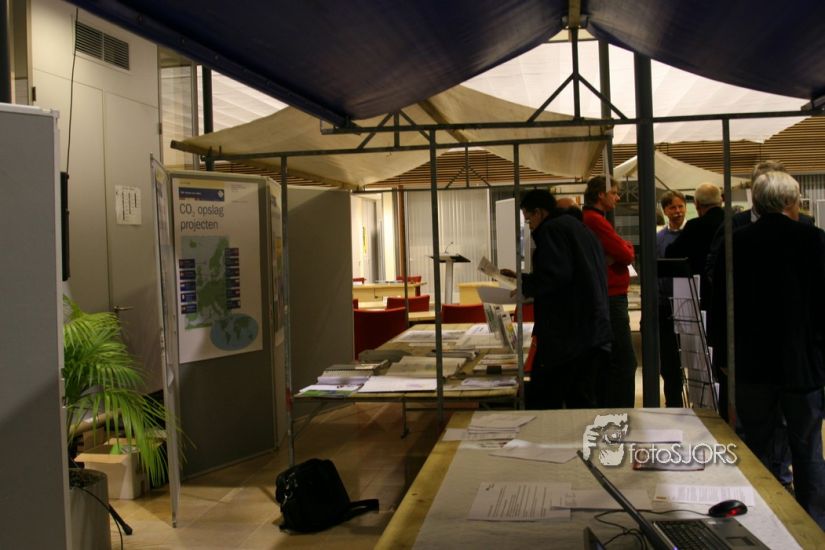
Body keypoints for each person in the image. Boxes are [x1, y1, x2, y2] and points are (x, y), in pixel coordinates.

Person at [710, 170, 825, 528]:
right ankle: (813, 526)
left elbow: (720, 303)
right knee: (807, 449)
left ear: (756, 202)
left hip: (751, 363)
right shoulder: (814, 240)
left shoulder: (735, 243)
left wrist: (723, 356)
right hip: (802, 364)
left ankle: (762, 522)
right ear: (792, 201)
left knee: (756, 447)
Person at [500, 189, 611, 409]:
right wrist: (525, 279)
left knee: (546, 399)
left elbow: (555, 276)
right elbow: (568, 273)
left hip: (569, 336)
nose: (529, 225)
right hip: (591, 331)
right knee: (581, 400)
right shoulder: (579, 229)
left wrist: (527, 285)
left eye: (528, 218)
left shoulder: (551, 230)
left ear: (539, 212)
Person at [581, 175, 637, 407]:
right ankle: (623, 412)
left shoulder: (594, 219)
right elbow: (626, 255)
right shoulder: (595, 220)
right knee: (624, 361)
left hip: (608, 294)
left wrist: (622, 249)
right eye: (614, 192)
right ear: (601, 194)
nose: (618, 197)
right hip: (611, 297)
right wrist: (625, 249)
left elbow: (621, 251)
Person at [665, 182, 724, 310]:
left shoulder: (694, 226)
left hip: (701, 293)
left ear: (697, 204)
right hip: (729, 291)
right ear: (720, 201)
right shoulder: (733, 222)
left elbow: (671, 254)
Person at [655, 190, 687, 407]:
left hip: (690, 304)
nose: (677, 211)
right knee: (669, 361)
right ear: (665, 211)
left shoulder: (691, 234)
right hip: (666, 305)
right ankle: (673, 404)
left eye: (680, 206)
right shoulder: (659, 239)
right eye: (672, 207)